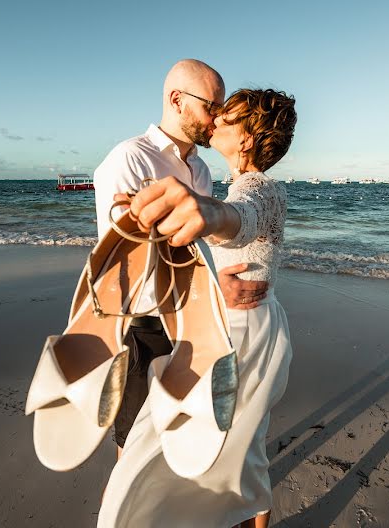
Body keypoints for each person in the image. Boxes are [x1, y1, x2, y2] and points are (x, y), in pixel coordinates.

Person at [98, 88, 297, 528]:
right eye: (216, 109)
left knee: (163, 446)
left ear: (245, 140)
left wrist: (206, 213)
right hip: (234, 323)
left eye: (228, 116)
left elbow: (239, 217)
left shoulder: (257, 188)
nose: (217, 120)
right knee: (245, 449)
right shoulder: (223, 179)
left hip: (237, 334)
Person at [93, 60, 270, 455]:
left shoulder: (202, 171)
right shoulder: (129, 160)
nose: (217, 119)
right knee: (132, 447)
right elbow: (122, 268)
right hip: (143, 326)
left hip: (192, 327)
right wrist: (205, 291)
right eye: (212, 107)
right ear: (177, 100)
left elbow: (196, 251)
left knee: (179, 441)